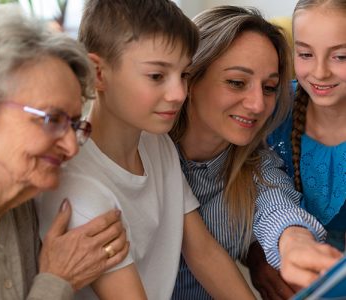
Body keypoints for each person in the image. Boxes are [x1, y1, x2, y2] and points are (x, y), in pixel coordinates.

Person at [37, 0, 256, 299]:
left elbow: (203, 253)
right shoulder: (78, 185)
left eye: (184, 74)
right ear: (97, 73)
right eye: (157, 76)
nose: (179, 93)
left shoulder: (156, 143)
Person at [168, 5, 342, 300]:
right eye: (237, 82)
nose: (257, 105)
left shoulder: (256, 164)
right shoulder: (144, 152)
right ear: (190, 79)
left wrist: (294, 242)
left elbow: (278, 208)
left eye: (270, 87)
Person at [0, 4, 128, 300]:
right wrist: (56, 282)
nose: (71, 146)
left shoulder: (22, 206)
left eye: (75, 125)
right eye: (52, 119)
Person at [247, 0, 346, 298]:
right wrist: (255, 253)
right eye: (305, 54)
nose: (319, 72)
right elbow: (244, 184)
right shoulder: (270, 108)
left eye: (340, 56)